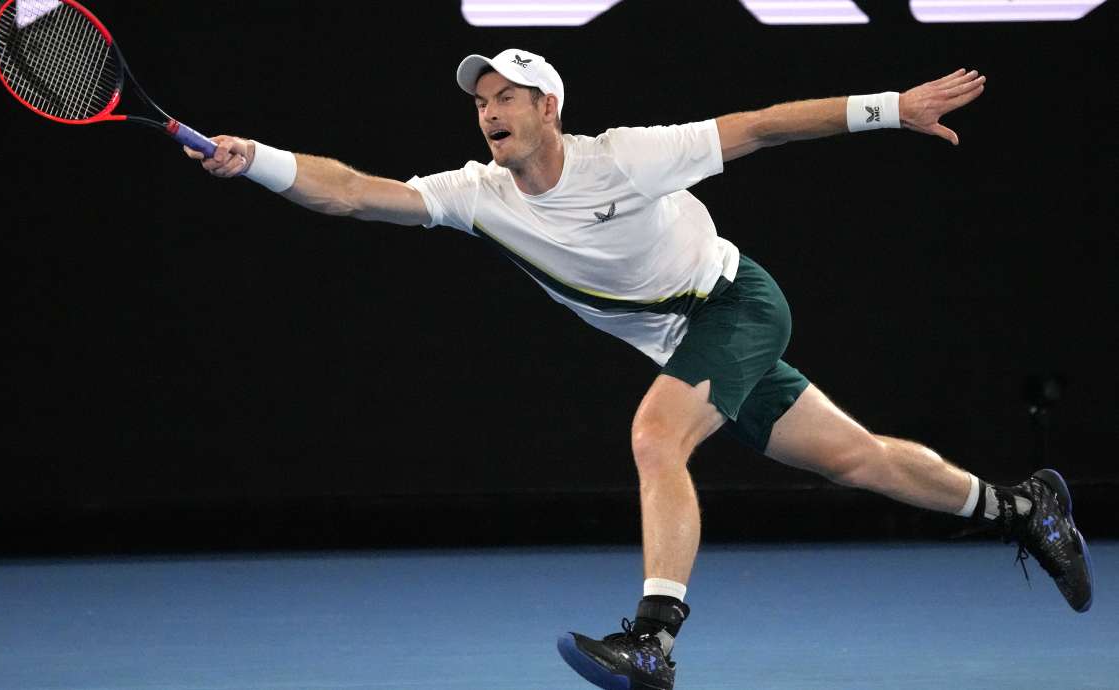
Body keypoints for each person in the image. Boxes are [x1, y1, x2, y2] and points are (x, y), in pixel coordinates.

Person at [184, 49, 1094, 690]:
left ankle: (654, 643)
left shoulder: (624, 156)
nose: (490, 112)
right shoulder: (478, 195)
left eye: (509, 97)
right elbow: (350, 194)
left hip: (735, 306)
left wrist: (891, 106)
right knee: (856, 459)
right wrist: (256, 160)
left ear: (550, 109)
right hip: (682, 342)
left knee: (657, 437)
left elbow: (761, 128)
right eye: (481, 102)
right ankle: (1023, 509)